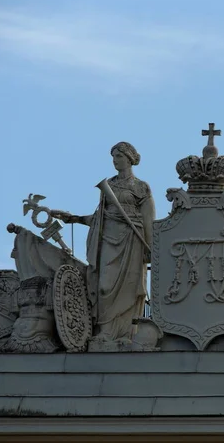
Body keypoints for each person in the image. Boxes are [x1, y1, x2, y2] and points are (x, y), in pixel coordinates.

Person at [51, 142, 155, 342]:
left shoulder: (141, 187)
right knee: (104, 286)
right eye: (113, 157)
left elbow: (148, 220)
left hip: (131, 241)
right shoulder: (110, 185)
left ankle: (126, 333)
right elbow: (100, 218)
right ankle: (106, 330)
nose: (115, 161)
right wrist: (74, 218)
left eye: (119, 156)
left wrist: (149, 247)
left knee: (130, 287)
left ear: (130, 158)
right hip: (108, 239)